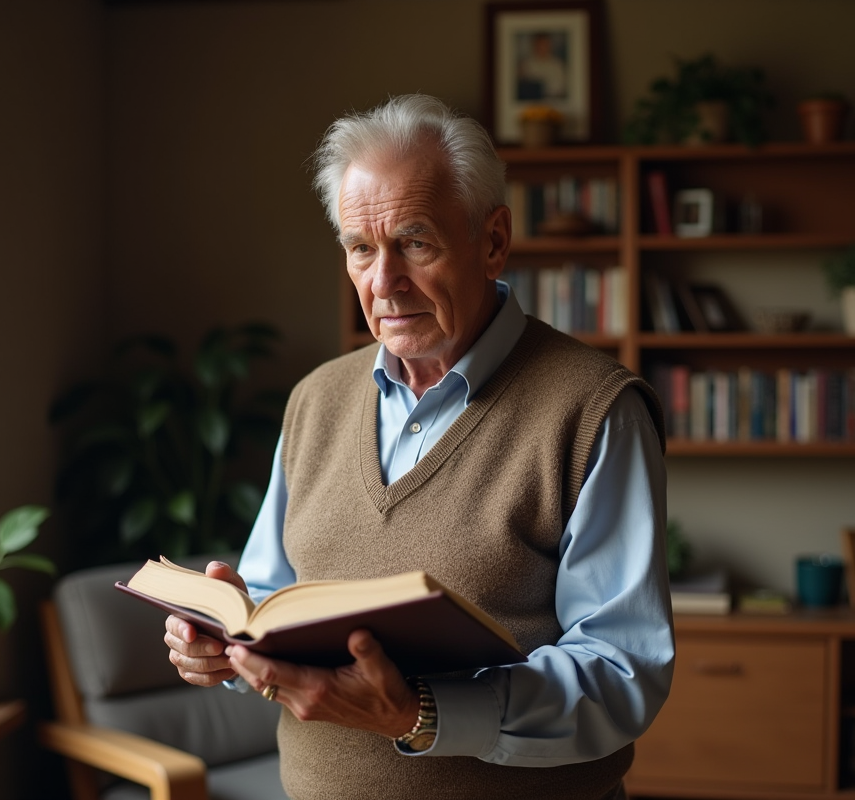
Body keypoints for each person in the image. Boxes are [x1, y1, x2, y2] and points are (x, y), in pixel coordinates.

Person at [165, 93, 674, 800]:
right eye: (361, 249)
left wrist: (422, 714)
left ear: (493, 241)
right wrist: (225, 642)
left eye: (414, 242)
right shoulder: (315, 398)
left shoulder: (594, 410)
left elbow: (622, 674)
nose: (383, 283)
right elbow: (278, 596)